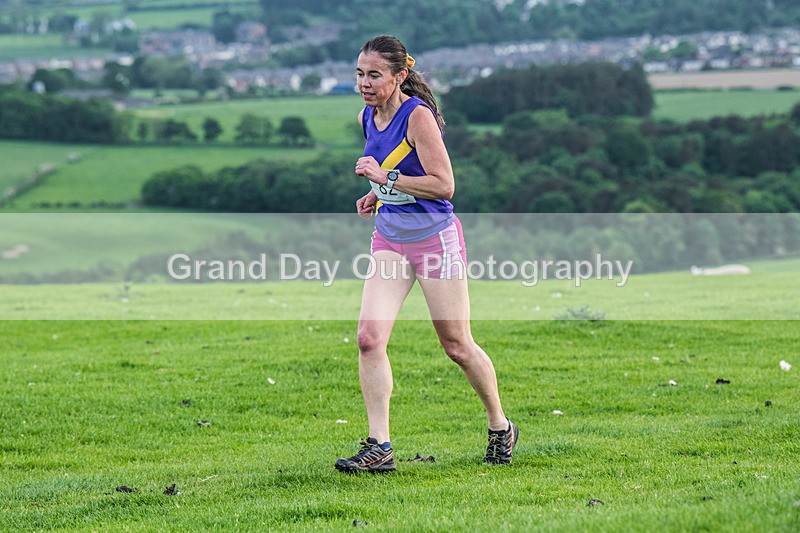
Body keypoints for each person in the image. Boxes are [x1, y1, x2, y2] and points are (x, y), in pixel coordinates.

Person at [334, 35, 517, 474]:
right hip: (389, 240)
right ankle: (380, 446)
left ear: (399, 76)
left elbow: (443, 185)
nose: (365, 83)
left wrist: (385, 179)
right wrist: (376, 195)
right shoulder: (367, 117)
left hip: (435, 240)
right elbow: (393, 177)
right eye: (360, 74)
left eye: (374, 75)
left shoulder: (418, 118)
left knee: (456, 345)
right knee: (368, 339)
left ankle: (500, 425)